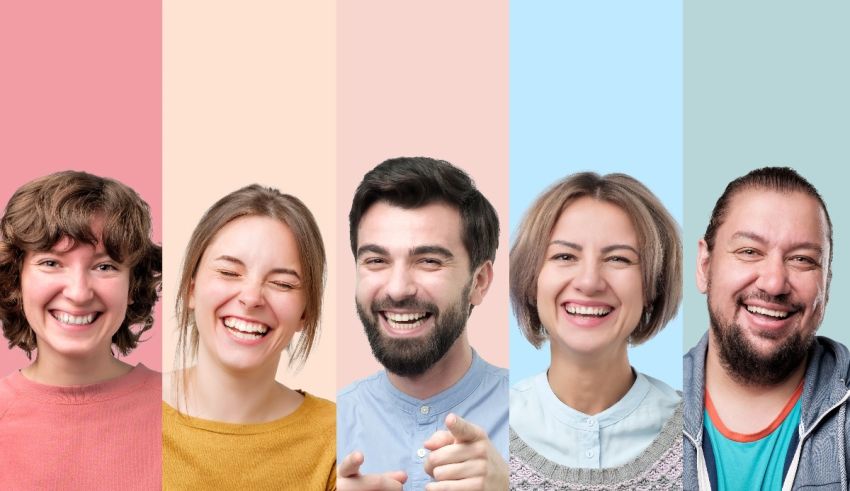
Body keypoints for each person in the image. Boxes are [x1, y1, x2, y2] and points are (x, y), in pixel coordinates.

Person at [337, 157, 509, 490]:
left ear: (479, 282)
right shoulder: (330, 423)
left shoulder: (535, 420)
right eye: (376, 260)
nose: (398, 289)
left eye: (429, 261)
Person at [508, 172, 683, 489]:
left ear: (652, 286)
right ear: (532, 281)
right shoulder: (487, 428)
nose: (589, 282)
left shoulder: (697, 432)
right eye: (564, 256)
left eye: (618, 259)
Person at [684, 167, 850, 490]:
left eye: (802, 259)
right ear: (704, 266)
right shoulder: (649, 416)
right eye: (749, 252)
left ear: (827, 284)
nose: (774, 283)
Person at [162, 185, 335, 490]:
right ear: (191, 288)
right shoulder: (121, 415)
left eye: (282, 283)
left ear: (305, 313)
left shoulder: (341, 439)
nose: (252, 297)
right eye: (229, 273)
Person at [0, 171, 162, 490]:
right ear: (16, 278)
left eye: (105, 266)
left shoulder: (185, 412)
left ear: (133, 285)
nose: (78, 293)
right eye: (51, 263)